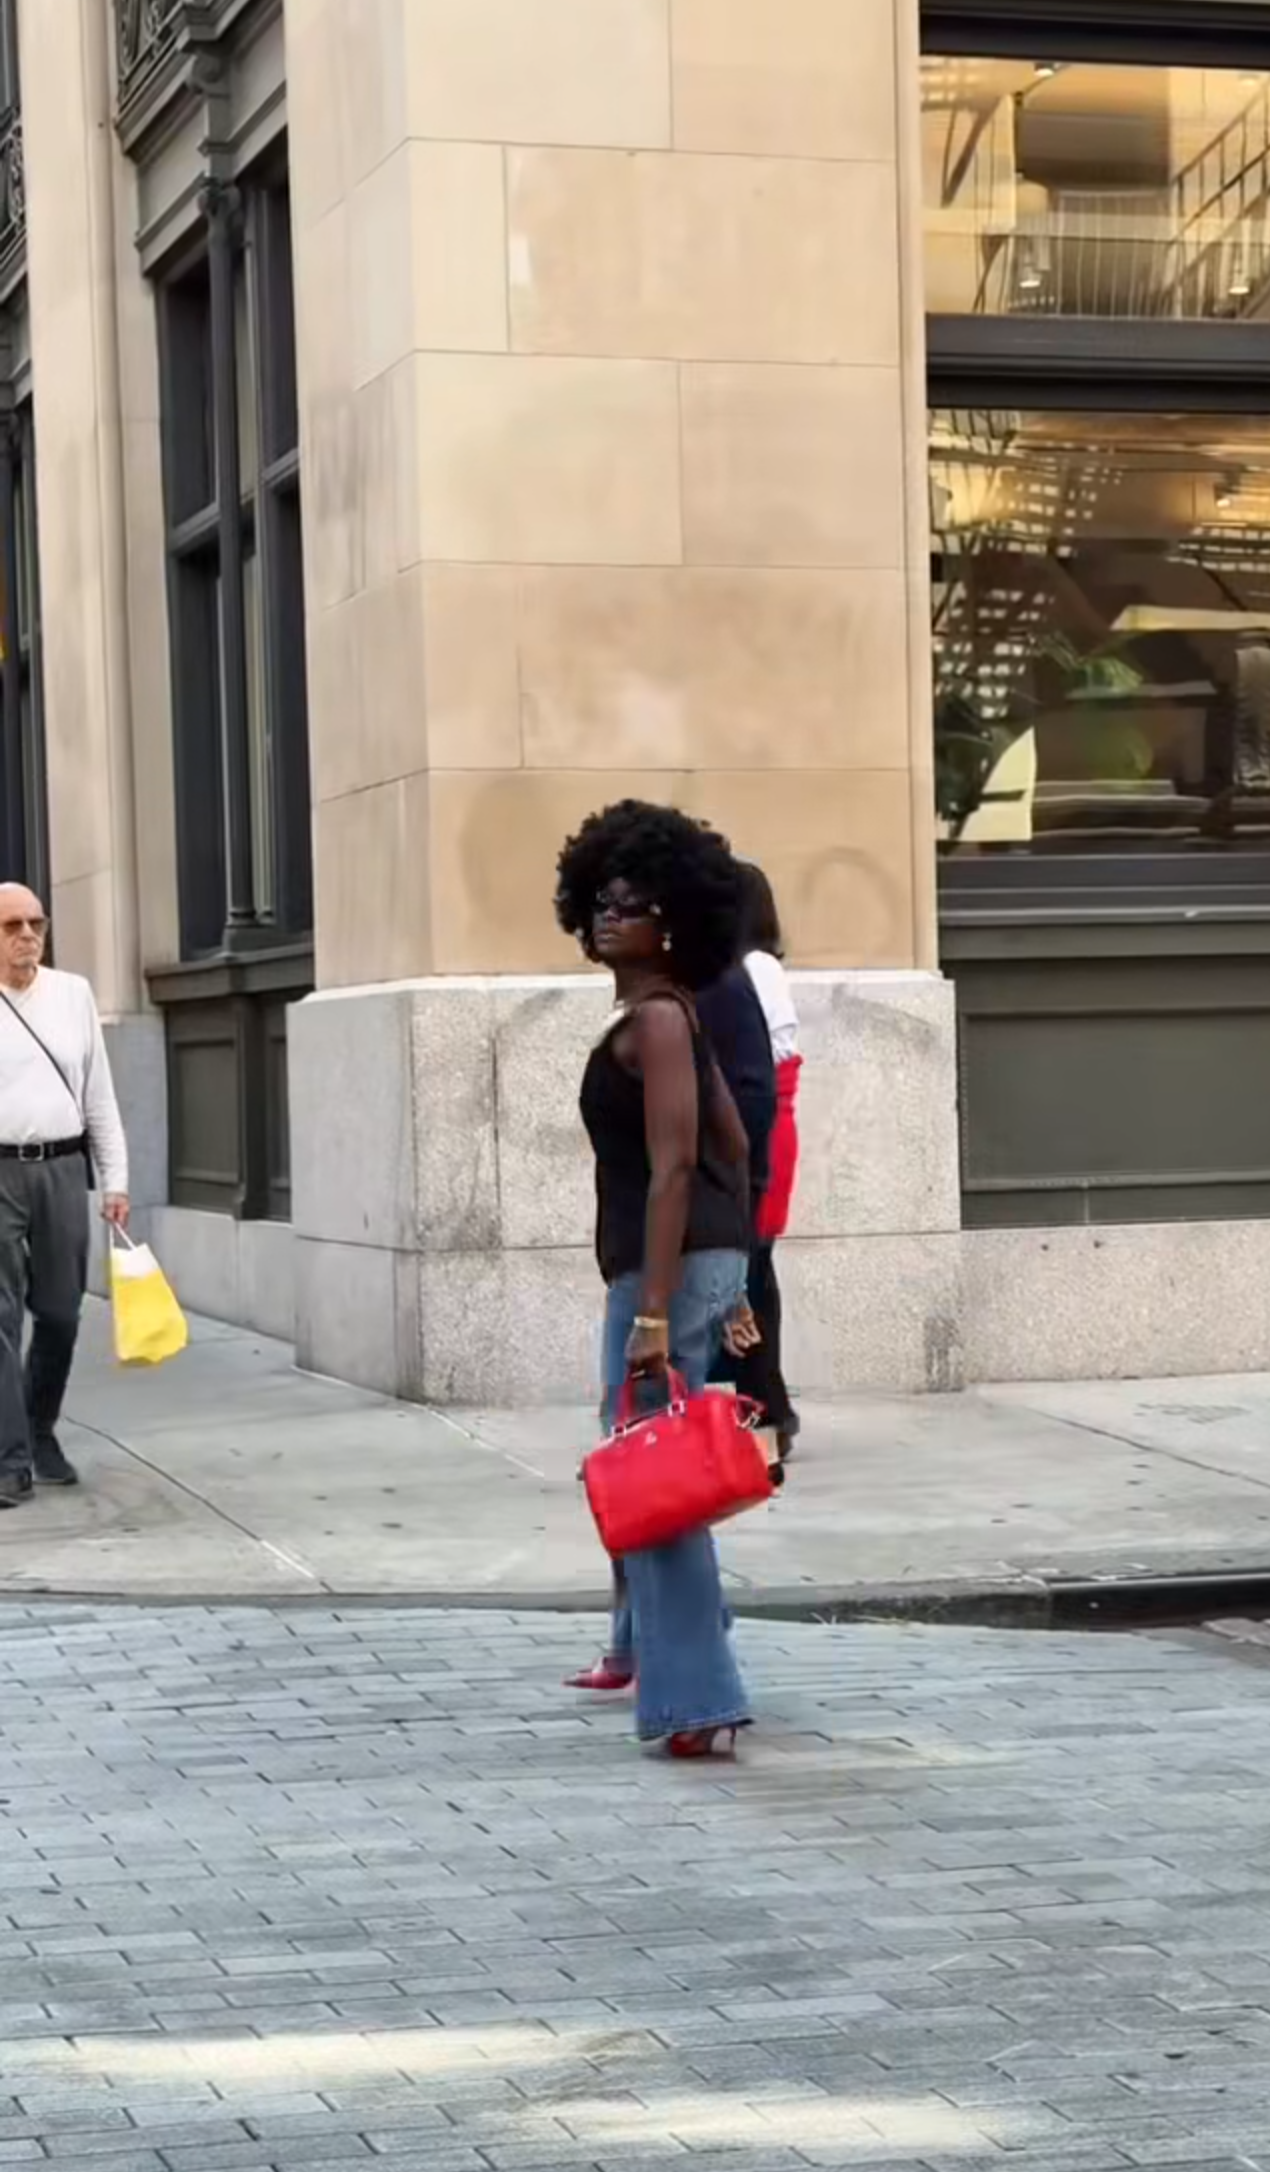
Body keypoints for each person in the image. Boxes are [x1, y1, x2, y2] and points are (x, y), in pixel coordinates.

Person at [556, 800, 757, 1758]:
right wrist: (733, 1275)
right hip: (687, 1266)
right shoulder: (663, 1015)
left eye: (630, 903)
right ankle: (644, 1646)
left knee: (654, 1478)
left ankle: (699, 1700)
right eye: (600, 899)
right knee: (649, 1457)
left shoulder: (661, 1021)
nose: (609, 916)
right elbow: (734, 1146)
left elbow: (680, 1166)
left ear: (671, 920)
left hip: (660, 1274)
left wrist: (658, 1309)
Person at [0, 885, 128, 1506]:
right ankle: (10, 1458)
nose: (28, 935)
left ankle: (39, 1427)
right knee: (0, 1319)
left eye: (36, 923)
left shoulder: (72, 994)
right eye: (12, 926)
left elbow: (98, 1094)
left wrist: (115, 1179)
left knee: (59, 1313)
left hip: (62, 1168)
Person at [737, 863, 802, 1461]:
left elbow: (771, 1059)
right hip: (759, 1129)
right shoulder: (745, 968)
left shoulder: (756, 968)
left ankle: (767, 1410)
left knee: (752, 1271)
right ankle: (767, 1407)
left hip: (760, 1133)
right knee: (754, 1270)